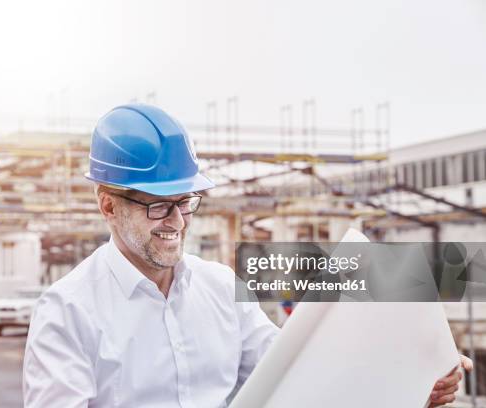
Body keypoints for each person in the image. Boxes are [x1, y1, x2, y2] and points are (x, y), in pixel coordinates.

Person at [23, 104, 472, 407]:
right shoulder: (68, 312)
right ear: (108, 205)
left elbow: (298, 375)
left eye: (186, 202)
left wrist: (409, 382)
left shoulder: (220, 288)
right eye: (157, 206)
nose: (176, 222)